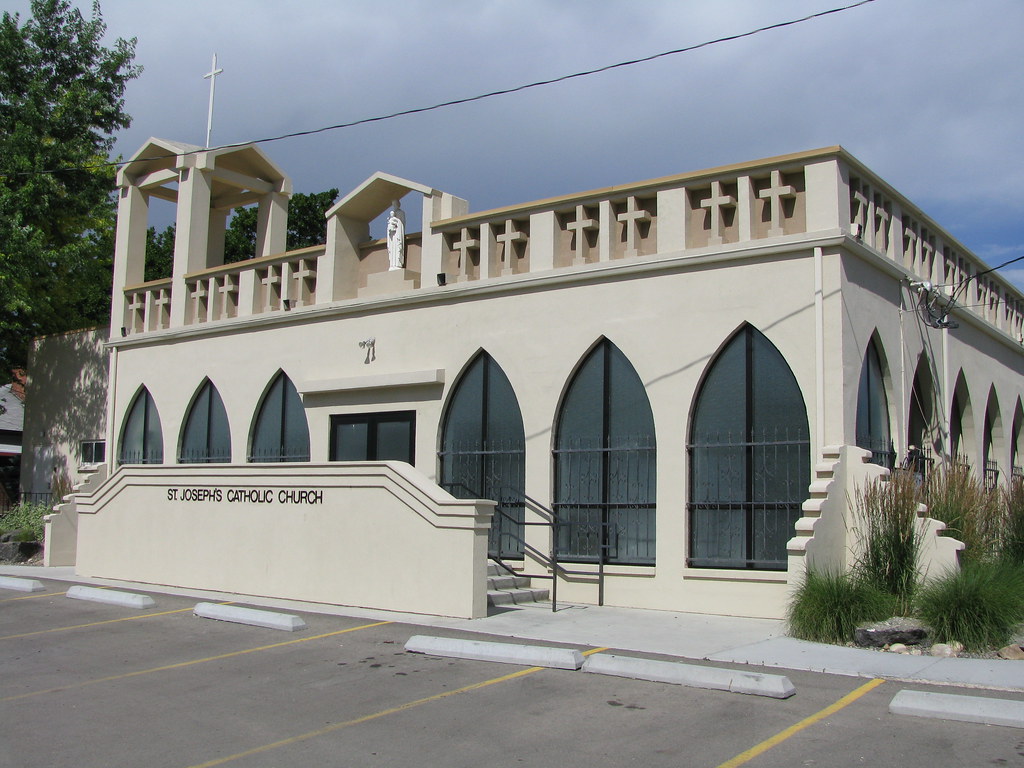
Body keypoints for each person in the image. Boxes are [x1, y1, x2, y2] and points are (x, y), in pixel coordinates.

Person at [386, 200, 406, 271]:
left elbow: (402, 223)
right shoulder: (392, 215)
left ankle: (397, 264)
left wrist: (396, 224)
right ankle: (392, 264)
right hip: (392, 235)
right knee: (392, 248)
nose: (394, 206)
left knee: (398, 248)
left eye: (395, 204)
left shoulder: (401, 213)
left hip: (398, 234)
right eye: (393, 205)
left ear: (398, 205)